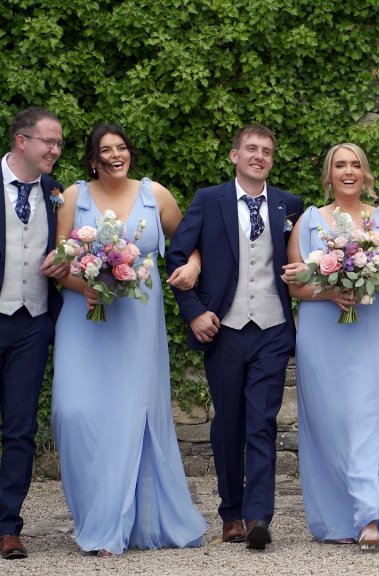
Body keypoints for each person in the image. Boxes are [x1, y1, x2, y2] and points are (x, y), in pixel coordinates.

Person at [52, 123, 206, 555]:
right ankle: (94, 515)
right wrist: (87, 286)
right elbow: (59, 261)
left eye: (122, 148)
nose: (116, 155)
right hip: (84, 319)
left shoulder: (154, 194)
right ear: (93, 158)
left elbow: (188, 241)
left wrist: (193, 265)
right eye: (107, 150)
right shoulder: (72, 196)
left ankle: (113, 528)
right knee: (73, 411)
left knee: (129, 417)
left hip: (137, 320)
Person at [168, 124, 303, 551]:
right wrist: (194, 313)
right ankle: (230, 514)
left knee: (262, 422)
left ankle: (258, 516)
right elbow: (177, 256)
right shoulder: (210, 200)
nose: (259, 156)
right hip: (223, 329)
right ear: (234, 155)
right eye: (251, 149)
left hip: (273, 328)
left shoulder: (289, 206)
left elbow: (308, 258)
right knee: (228, 423)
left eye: (266, 150)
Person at [280, 143, 379, 548]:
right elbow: (295, 281)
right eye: (340, 164)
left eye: (355, 164)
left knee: (369, 417)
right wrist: (330, 291)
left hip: (372, 328)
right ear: (329, 174)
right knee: (332, 420)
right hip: (322, 332)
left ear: (365, 173)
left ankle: (370, 515)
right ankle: (342, 515)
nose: (348, 171)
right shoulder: (308, 220)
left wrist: (368, 279)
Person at [0, 108, 67, 560]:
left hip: (33, 322)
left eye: (59, 143)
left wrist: (65, 263)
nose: (56, 150)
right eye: (50, 142)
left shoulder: (56, 193)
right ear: (22, 142)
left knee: (21, 429)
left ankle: (8, 527)